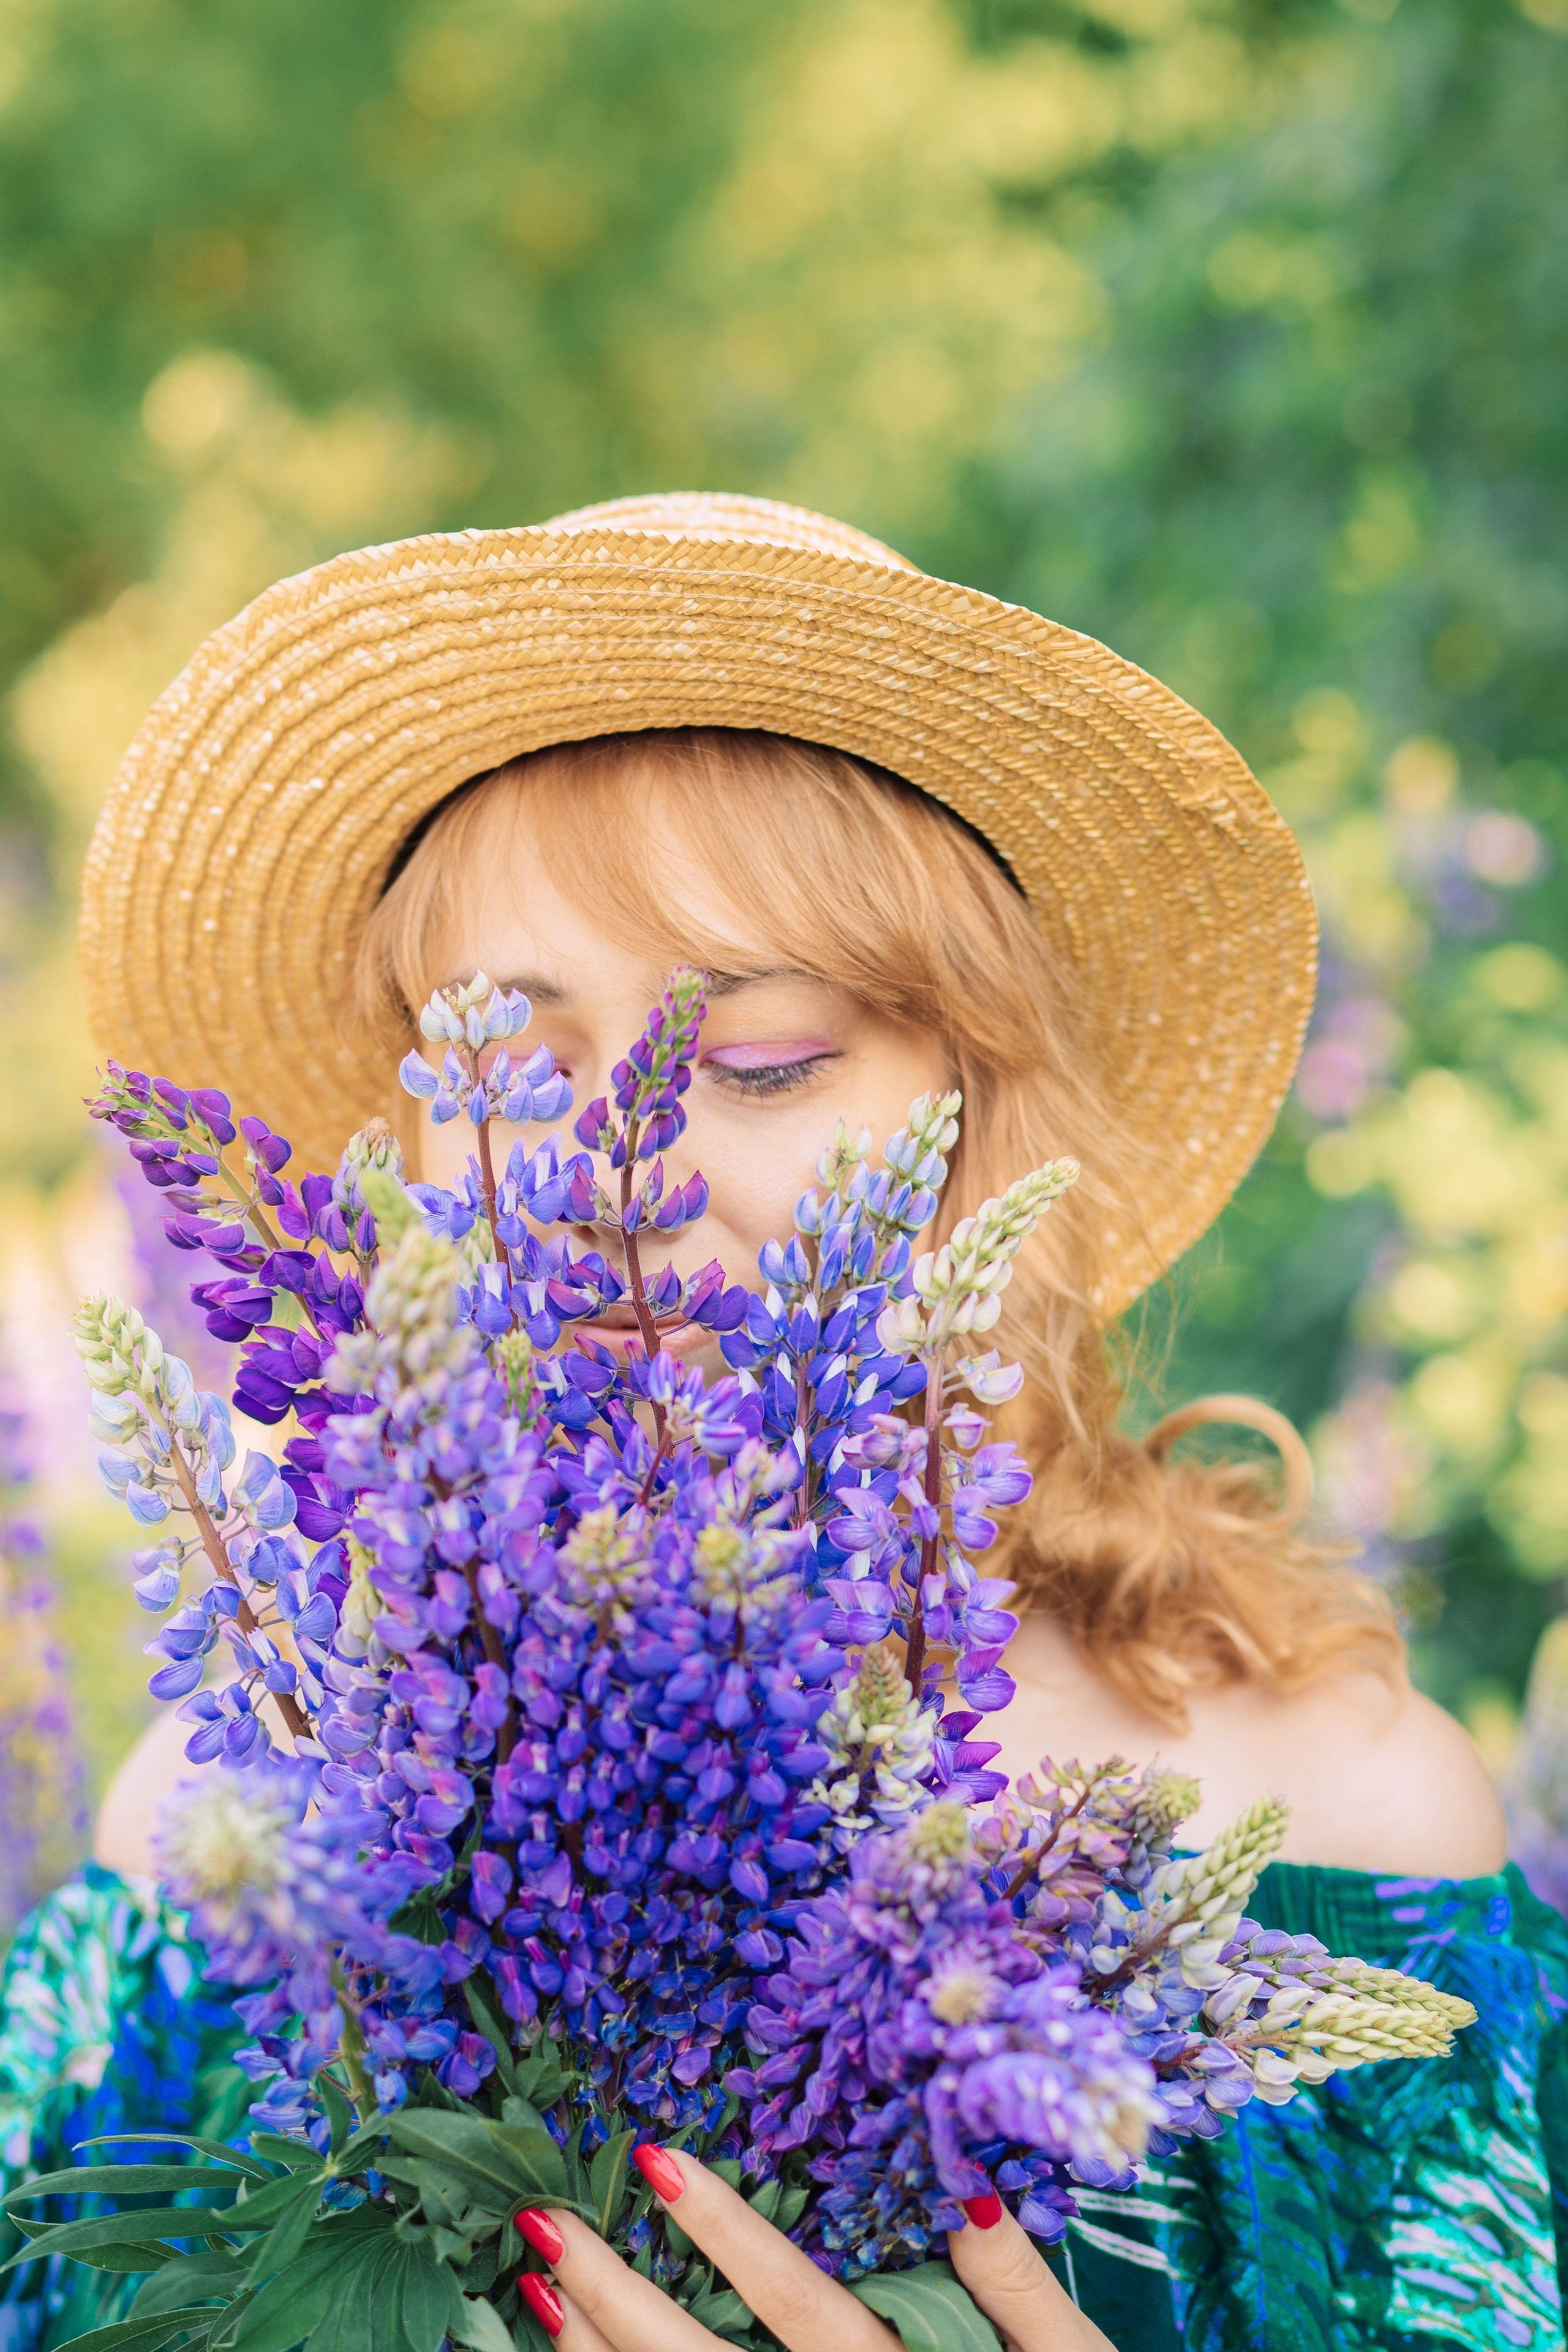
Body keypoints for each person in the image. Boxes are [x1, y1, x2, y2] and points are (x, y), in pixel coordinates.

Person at [10, 494, 1561, 2350]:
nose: (610, 1171)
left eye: (756, 1062)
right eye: (513, 1064)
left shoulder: (1348, 1820)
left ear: (969, 1120)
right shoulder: (220, 1834)